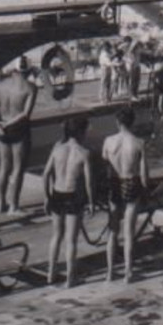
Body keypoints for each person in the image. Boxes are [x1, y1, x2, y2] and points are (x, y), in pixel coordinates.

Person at [40, 116, 95, 288]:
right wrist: (91, 202)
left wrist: (46, 197)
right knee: (71, 240)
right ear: (79, 132)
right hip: (73, 197)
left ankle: (50, 273)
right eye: (85, 131)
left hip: (57, 193)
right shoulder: (84, 153)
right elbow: (88, 182)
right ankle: (70, 279)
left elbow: (45, 174)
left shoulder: (58, 147)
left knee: (56, 236)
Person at [101, 107, 151, 283]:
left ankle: (109, 273)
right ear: (132, 122)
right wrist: (146, 191)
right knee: (128, 232)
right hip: (131, 182)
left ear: (117, 122)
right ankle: (128, 273)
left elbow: (104, 168)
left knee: (112, 230)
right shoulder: (139, 142)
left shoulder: (108, 141)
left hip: (115, 183)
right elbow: (144, 176)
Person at [0, 58, 38, 214]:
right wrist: (8, 124)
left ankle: (0, 203)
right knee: (17, 169)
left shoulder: (2, 84)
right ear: (29, 71)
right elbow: (25, 114)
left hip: (2, 130)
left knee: (4, 167)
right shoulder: (31, 88)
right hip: (18, 130)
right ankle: (14, 206)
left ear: (15, 70)